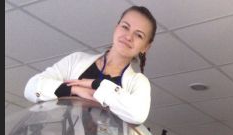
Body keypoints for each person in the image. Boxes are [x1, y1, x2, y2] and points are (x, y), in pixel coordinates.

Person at [24, 6, 157, 125]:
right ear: (116, 27)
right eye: (125, 27)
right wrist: (75, 90)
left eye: (138, 35)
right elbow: (31, 87)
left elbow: (138, 114)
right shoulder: (77, 60)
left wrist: (97, 85)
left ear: (146, 47)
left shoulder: (139, 82)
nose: (128, 37)